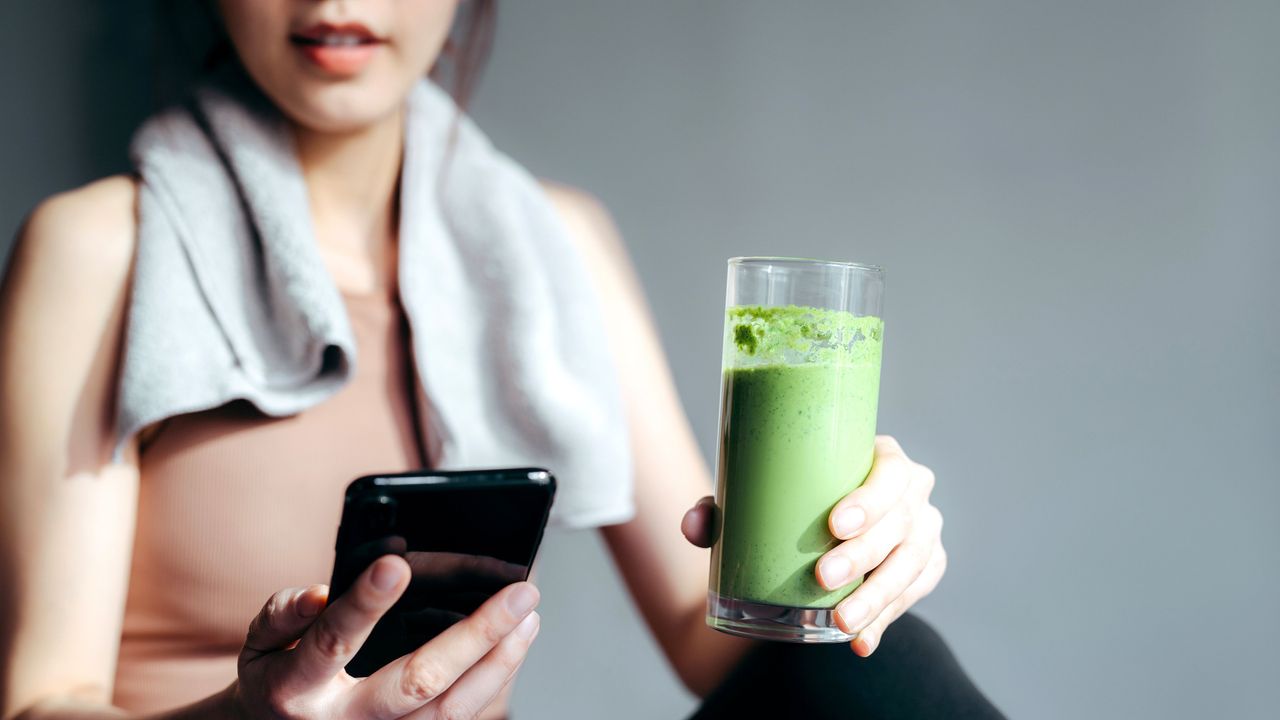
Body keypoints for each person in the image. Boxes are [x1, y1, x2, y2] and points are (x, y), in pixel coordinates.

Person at [0, 2, 1001, 719]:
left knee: (871, 667)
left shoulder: (552, 245)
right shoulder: (101, 250)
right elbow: (45, 699)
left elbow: (718, 644)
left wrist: (848, 554)